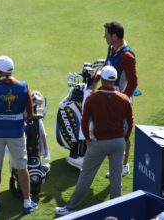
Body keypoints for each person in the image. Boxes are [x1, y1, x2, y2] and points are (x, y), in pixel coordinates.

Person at [55, 66, 134, 216]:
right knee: (116, 179)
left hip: (98, 143)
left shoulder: (92, 98)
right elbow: (130, 122)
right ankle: (117, 211)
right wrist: (124, 138)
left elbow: (84, 122)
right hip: (118, 143)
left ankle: (71, 208)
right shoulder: (124, 99)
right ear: (115, 80)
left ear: (103, 80)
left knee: (86, 176)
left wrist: (88, 139)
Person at [0, 55, 38, 214]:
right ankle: (27, 202)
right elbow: (30, 112)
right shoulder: (24, 86)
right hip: (17, 133)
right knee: (21, 167)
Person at [102, 21, 138, 178]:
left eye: (107, 34)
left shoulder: (127, 56)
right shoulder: (112, 49)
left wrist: (122, 100)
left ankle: (123, 165)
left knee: (123, 134)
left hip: (121, 101)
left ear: (114, 36)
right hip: (109, 98)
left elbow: (133, 82)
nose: (104, 36)